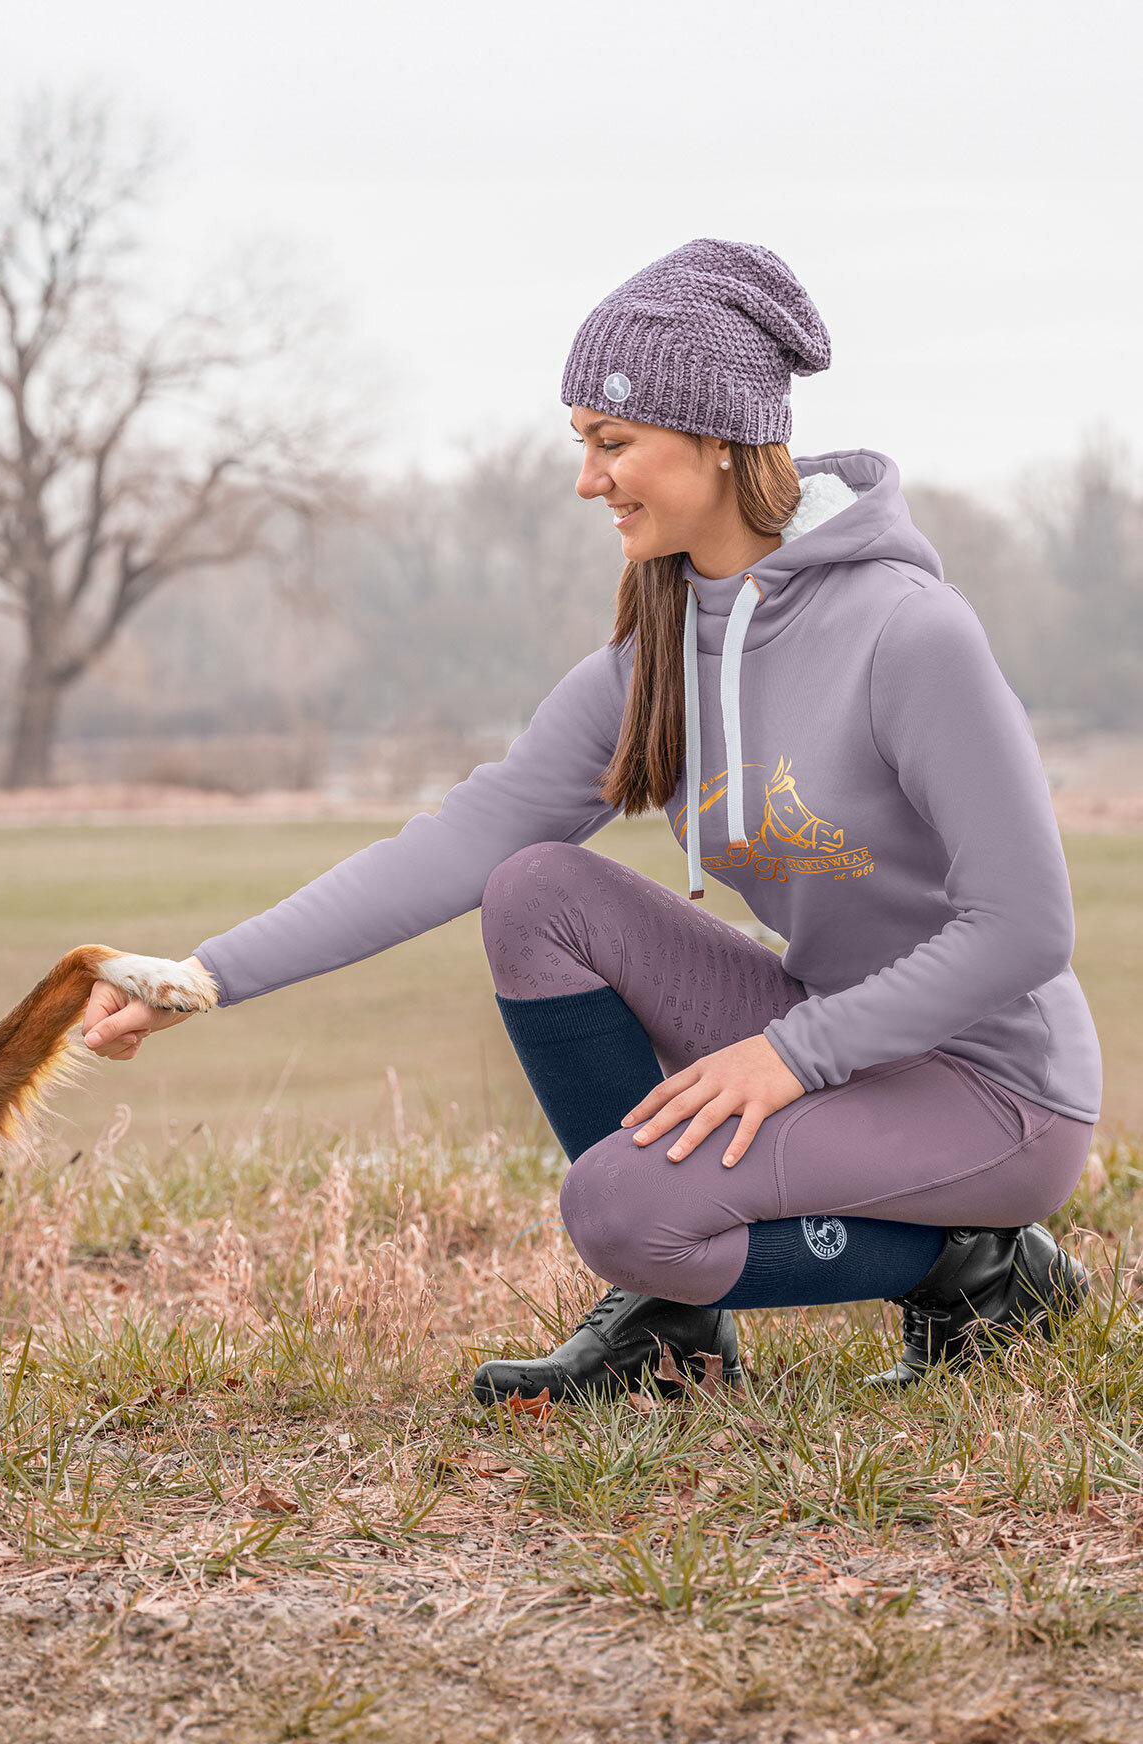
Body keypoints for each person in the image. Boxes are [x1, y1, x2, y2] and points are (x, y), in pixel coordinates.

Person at [82, 239, 1101, 1403]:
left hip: (988, 1086)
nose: (587, 480)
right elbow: (462, 844)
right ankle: (669, 1337)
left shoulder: (909, 634)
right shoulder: (652, 658)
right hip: (822, 1030)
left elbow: (1023, 928)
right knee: (534, 890)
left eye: (611, 443)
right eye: (583, 444)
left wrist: (786, 1056)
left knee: (620, 1210)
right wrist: (204, 976)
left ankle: (978, 1269)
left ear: (714, 440)